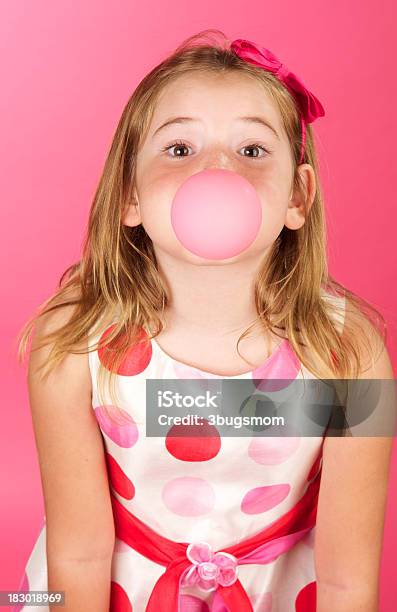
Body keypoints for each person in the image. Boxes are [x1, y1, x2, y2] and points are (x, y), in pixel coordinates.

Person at [15, 28, 394, 612]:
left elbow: (348, 580)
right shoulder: (73, 344)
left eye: (251, 150)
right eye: (179, 148)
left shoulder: (349, 352)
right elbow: (80, 555)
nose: (217, 169)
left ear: (298, 196)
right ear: (129, 197)